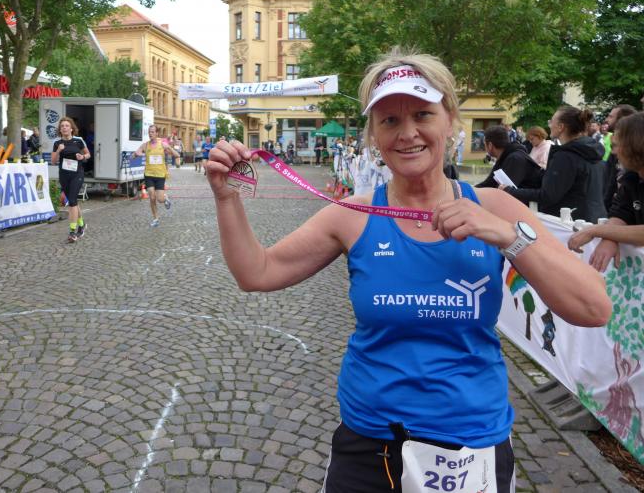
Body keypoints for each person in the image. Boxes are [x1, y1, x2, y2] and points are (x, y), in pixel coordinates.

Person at [205, 48, 610, 492]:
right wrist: (227, 199)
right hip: (369, 445)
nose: (407, 133)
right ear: (373, 135)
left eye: (422, 114)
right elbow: (258, 273)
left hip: (469, 444)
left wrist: (506, 235)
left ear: (449, 120)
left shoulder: (494, 207)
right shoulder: (353, 214)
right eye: (390, 121)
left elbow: (593, 307)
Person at [503, 106, 607, 223]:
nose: (549, 125)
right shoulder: (592, 151)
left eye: (551, 121)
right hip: (595, 219)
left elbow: (547, 195)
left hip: (571, 224)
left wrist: (510, 191)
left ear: (561, 127)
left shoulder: (566, 156)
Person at [568, 111, 644, 270]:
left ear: (635, 146)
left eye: (616, 145)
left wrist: (599, 231)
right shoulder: (632, 177)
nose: (614, 152)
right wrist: (610, 238)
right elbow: (621, 212)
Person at [51, 117, 90, 242]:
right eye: (62, 126)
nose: (64, 128)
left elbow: (88, 154)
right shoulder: (57, 143)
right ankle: (82, 224)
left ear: (72, 129)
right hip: (64, 175)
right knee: (74, 202)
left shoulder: (78, 141)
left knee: (72, 201)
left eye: (67, 126)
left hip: (77, 174)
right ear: (60, 130)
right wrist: (58, 150)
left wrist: (82, 157)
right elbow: (53, 161)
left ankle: (72, 232)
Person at [132, 125, 178, 227]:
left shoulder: (162, 145)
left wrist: (170, 148)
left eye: (152, 132)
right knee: (152, 197)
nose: (150, 134)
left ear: (157, 133)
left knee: (160, 199)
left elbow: (176, 155)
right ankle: (156, 218)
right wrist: (135, 154)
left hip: (160, 175)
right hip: (149, 175)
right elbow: (135, 154)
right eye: (149, 132)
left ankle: (165, 199)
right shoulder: (145, 145)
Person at [475, 125, 542, 190]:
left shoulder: (515, 159)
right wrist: (471, 190)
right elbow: (489, 183)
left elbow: (505, 192)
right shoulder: (504, 156)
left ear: (490, 145)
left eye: (484, 144)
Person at [602, 104, 638, 210]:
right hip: (614, 209)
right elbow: (610, 182)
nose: (606, 119)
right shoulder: (615, 153)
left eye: (611, 116)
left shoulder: (634, 152)